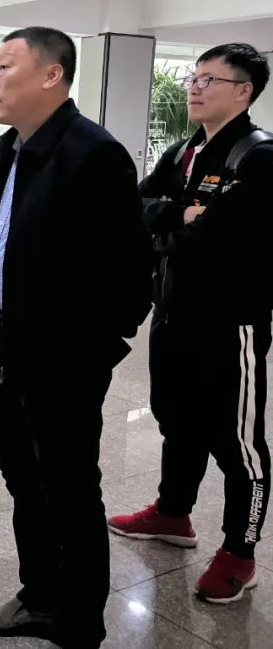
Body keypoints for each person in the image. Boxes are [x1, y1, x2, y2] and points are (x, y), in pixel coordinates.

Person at [0, 28, 151, 648]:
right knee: (25, 482)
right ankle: (40, 596)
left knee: (69, 489)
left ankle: (78, 622)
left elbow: (131, 276)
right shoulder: (15, 146)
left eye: (4, 66)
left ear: (52, 75)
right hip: (4, 344)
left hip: (60, 358)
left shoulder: (93, 153)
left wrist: (88, 357)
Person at [108, 43, 273, 605]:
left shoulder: (259, 156)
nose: (195, 88)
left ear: (244, 91)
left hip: (231, 324)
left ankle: (240, 553)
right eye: (193, 78)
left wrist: (173, 222)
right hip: (173, 313)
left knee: (238, 444)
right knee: (176, 419)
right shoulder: (182, 151)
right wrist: (180, 214)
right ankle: (173, 514)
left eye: (209, 79)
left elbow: (224, 236)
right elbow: (136, 209)